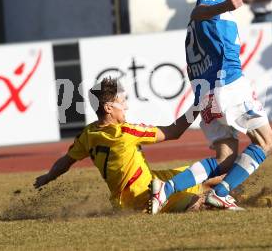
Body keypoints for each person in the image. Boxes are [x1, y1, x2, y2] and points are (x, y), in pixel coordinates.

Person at [150, 0, 272, 214]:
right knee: (266, 143)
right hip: (228, 85)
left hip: (207, 92)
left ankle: (167, 188)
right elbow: (198, 12)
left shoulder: (213, 10)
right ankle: (220, 193)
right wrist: (225, 6)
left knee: (225, 160)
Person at [33, 77, 211, 213]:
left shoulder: (88, 134)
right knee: (201, 199)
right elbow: (174, 132)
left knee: (202, 174)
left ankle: (227, 185)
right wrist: (198, 104)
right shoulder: (125, 133)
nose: (126, 107)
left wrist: (48, 177)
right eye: (122, 102)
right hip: (144, 195)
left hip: (131, 194)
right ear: (109, 108)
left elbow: (66, 161)